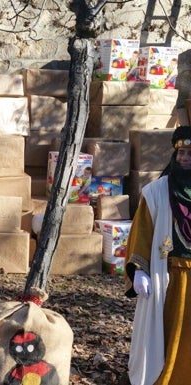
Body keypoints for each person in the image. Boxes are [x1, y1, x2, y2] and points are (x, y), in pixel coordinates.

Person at [124, 125, 191, 385]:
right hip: (169, 278)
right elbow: (142, 231)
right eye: (181, 153)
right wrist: (139, 269)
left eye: (189, 154)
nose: (184, 158)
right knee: (166, 335)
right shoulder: (155, 192)